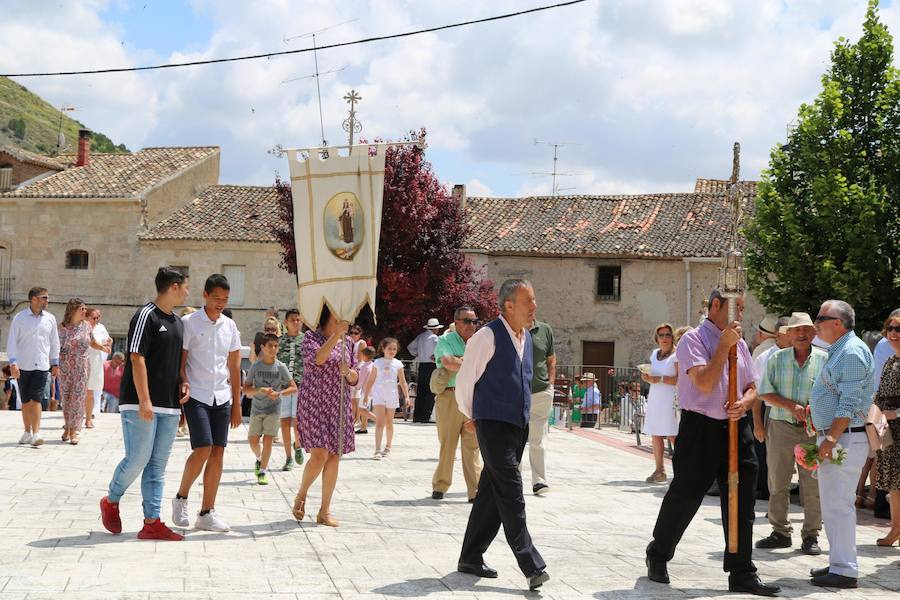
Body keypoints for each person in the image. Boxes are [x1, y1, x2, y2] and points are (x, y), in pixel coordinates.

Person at [646, 289, 779, 597]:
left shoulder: (742, 344)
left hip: (736, 426)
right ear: (716, 306)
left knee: (742, 499)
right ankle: (659, 552)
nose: (741, 315)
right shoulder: (693, 340)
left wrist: (745, 404)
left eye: (744, 309)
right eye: (738, 308)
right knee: (686, 495)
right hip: (701, 428)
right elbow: (704, 382)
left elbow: (752, 386)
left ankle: (742, 571)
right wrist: (723, 347)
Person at [455, 279, 548, 591]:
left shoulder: (526, 338)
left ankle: (470, 557)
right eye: (528, 301)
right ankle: (531, 564)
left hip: (516, 425)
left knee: (492, 494)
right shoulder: (486, 336)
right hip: (492, 423)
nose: (534, 307)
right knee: (511, 492)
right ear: (509, 306)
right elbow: (466, 379)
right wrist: (472, 415)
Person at [100, 266, 190, 541]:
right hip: (140, 402)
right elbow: (136, 357)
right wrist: (145, 400)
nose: (188, 291)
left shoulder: (178, 323)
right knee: (138, 458)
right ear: (174, 286)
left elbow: (175, 362)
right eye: (185, 286)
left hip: (170, 405)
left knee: (157, 466)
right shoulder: (145, 316)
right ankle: (111, 500)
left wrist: (182, 381)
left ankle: (151, 522)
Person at [808, 300, 874, 589]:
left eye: (821, 317)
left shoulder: (850, 351)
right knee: (833, 504)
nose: (816, 322)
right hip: (839, 436)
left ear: (838, 322)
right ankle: (838, 562)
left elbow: (848, 402)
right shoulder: (841, 349)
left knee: (840, 505)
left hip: (844, 438)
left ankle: (845, 569)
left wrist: (831, 437)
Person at [172, 274, 242, 533]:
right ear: (205, 295)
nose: (220, 303)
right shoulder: (189, 323)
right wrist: (181, 386)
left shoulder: (230, 326)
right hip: (196, 394)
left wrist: (236, 404)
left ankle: (207, 512)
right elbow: (181, 362)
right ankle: (181, 498)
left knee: (218, 452)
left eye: (225, 299)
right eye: (216, 298)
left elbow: (235, 367)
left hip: (222, 396)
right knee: (203, 448)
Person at [755, 312, 826, 555]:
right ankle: (780, 532)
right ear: (788, 334)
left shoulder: (824, 360)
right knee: (778, 481)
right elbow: (764, 392)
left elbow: (831, 394)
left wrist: (815, 410)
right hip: (781, 426)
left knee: (812, 484)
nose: (802, 334)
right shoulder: (777, 359)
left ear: (814, 333)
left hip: (812, 431)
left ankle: (811, 535)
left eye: (806, 329)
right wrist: (790, 406)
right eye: (796, 330)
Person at [292, 305, 358, 527]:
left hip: (338, 404)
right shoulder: (311, 338)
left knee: (334, 456)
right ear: (329, 317)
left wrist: (349, 373)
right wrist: (337, 335)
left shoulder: (349, 343)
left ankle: (324, 511)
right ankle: (302, 494)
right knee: (319, 454)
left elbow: (355, 375)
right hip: (314, 403)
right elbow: (319, 359)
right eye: (340, 315)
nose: (345, 319)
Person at [431, 306, 482, 502]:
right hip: (449, 397)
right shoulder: (445, 340)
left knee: (472, 447)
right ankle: (440, 485)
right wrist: (472, 365)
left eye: (475, 321)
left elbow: (486, 366)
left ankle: (475, 491)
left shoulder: (480, 342)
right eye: (467, 321)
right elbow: (448, 362)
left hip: (473, 397)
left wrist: (460, 361)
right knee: (448, 444)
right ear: (457, 322)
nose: (472, 325)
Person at [6, 286, 60, 446]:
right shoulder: (19, 318)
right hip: (23, 365)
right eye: (44, 297)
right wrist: (13, 363)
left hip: (42, 366)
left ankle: (36, 433)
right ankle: (27, 432)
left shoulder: (50, 319)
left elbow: (54, 342)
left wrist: (55, 362)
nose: (47, 300)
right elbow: (12, 341)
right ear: (34, 299)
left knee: (36, 399)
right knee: (26, 401)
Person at [243, 333, 297, 485]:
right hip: (257, 409)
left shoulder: (281, 367)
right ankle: (259, 459)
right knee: (253, 441)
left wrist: (279, 393)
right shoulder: (256, 366)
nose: (273, 349)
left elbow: (293, 387)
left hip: (274, 410)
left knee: (268, 440)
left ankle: (262, 472)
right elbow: (246, 389)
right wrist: (260, 389)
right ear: (263, 347)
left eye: (276, 346)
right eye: (270, 346)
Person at [59, 299, 108, 445]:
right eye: (82, 309)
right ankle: (67, 427)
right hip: (65, 367)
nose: (85, 311)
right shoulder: (61, 328)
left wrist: (102, 347)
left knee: (79, 398)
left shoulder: (86, 326)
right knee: (66, 399)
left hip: (82, 367)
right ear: (73, 310)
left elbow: (92, 342)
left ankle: (75, 430)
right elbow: (55, 345)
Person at [873, 309, 900, 547]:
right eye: (890, 328)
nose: (893, 333)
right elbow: (880, 394)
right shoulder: (891, 361)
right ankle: (895, 529)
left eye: (898, 329)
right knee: (894, 484)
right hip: (889, 430)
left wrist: (896, 413)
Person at [642, 323, 679, 483]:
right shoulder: (654, 354)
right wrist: (648, 378)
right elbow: (654, 375)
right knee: (656, 434)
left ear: (672, 337)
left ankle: (683, 469)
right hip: (656, 397)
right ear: (656, 339)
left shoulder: (676, 355)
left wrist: (660, 379)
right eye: (661, 335)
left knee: (673, 434)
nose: (664, 338)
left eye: (667, 335)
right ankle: (659, 470)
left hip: (670, 398)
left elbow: (680, 379)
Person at [364, 337, 411, 459]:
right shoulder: (377, 362)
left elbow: (403, 381)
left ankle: (388, 446)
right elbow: (371, 379)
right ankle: (377, 450)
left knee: (389, 422)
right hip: (379, 394)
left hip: (392, 395)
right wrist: (366, 395)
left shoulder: (398, 364)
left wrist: (406, 396)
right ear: (383, 349)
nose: (392, 351)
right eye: (389, 348)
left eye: (394, 349)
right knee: (380, 422)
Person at [527, 318, 555, 495]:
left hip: (541, 392)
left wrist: (550, 385)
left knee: (537, 439)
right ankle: (511, 480)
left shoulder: (545, 329)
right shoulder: (510, 328)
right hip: (515, 393)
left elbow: (551, 360)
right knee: (514, 439)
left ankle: (539, 480)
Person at [276, 308, 305, 470]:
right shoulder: (280, 342)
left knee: (297, 422)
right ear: (286, 322)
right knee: (285, 422)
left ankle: (298, 445)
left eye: (298, 320)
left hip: (301, 387)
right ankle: (288, 457)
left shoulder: (307, 341)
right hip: (283, 388)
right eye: (292, 320)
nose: (295, 322)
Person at [408, 318, 444, 423]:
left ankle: (417, 416)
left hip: (422, 365)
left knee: (421, 391)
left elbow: (410, 347)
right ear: (436, 329)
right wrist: (435, 356)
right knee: (430, 391)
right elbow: (440, 350)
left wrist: (417, 353)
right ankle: (425, 416)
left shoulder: (421, 337)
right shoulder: (435, 338)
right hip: (431, 366)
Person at [85, 307, 111, 428]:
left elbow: (107, 340)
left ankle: (90, 416)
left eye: (98, 317)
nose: (97, 320)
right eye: (94, 318)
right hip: (84, 360)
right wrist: (102, 346)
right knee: (81, 391)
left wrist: (108, 342)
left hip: (96, 361)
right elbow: (91, 343)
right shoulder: (83, 327)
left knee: (92, 390)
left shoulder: (101, 327)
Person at [352, 346, 377, 434]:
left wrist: (356, 386)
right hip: (372, 390)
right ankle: (363, 427)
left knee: (361, 409)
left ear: (365, 356)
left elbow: (361, 379)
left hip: (366, 391)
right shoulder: (373, 365)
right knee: (364, 408)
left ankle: (379, 420)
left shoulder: (364, 367)